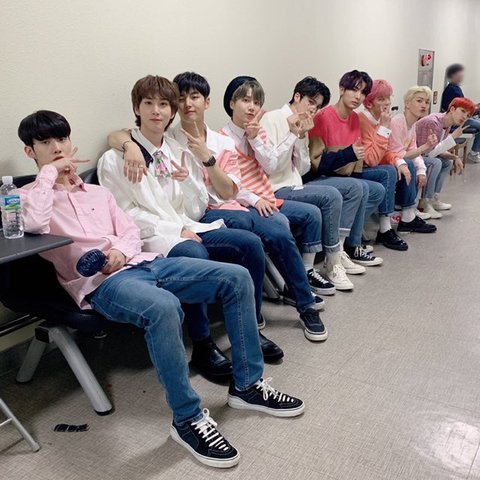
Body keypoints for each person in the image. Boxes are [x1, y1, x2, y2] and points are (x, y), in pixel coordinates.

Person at [17, 110, 305, 469]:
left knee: (236, 277)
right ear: (30, 151)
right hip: (102, 284)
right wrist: (49, 173)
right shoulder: (26, 197)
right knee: (164, 307)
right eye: (45, 142)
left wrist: (120, 251)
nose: (57, 148)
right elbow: (34, 223)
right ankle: (186, 419)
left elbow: (129, 230)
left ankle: (247, 386)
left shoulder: (97, 193)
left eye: (61, 139)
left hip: (143, 262)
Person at [101, 75, 283, 377]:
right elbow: (124, 214)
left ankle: (250, 328)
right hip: (153, 237)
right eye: (148, 103)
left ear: (172, 111)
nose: (156, 111)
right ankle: (202, 345)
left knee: (249, 244)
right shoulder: (116, 158)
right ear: (136, 108)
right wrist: (175, 231)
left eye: (163, 104)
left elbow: (197, 206)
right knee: (193, 254)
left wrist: (187, 182)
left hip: (187, 226)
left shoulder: (176, 149)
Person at [194, 75, 329, 341]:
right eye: (245, 100)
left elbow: (271, 166)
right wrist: (255, 200)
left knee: (296, 221)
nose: (251, 107)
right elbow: (229, 185)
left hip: (266, 197)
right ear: (231, 103)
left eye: (256, 102)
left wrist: (257, 139)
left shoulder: (258, 131)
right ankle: (296, 298)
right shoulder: (221, 139)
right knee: (278, 230)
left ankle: (302, 300)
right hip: (239, 203)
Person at [260, 76, 363, 291]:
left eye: (317, 107)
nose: (312, 110)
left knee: (350, 188)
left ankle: (326, 261)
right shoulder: (273, 119)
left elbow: (303, 168)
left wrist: (300, 138)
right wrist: (293, 135)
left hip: (294, 184)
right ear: (297, 97)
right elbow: (270, 166)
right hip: (274, 187)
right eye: (310, 103)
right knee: (330, 196)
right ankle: (331, 261)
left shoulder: (303, 125)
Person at [306, 70, 385, 268]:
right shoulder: (323, 117)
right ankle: (340, 249)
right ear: (342, 89)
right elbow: (315, 164)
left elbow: (357, 157)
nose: (358, 96)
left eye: (363, 92)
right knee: (358, 187)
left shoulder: (355, 118)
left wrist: (354, 169)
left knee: (375, 189)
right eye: (354, 90)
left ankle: (351, 244)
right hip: (321, 176)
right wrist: (347, 155)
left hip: (343, 176)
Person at [359, 80, 437, 249]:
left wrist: (419, 167)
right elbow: (373, 158)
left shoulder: (388, 121)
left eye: (388, 98)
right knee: (392, 170)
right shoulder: (390, 121)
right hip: (363, 167)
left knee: (417, 164)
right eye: (381, 99)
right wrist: (402, 159)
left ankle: (409, 214)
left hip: (378, 163)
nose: (387, 102)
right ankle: (389, 224)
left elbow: (390, 151)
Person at [387, 86, 438, 233]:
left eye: (427, 102)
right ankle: (408, 214)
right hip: (390, 160)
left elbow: (412, 149)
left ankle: (410, 212)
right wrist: (425, 147)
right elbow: (397, 153)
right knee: (409, 164)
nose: (424, 105)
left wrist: (421, 170)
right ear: (407, 103)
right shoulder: (397, 122)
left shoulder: (413, 124)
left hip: (400, 159)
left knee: (421, 165)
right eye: (419, 101)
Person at [416, 97, 476, 217]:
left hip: (424, 154)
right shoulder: (432, 122)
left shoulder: (446, 124)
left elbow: (437, 149)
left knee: (447, 162)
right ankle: (424, 201)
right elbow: (428, 153)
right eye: (463, 111)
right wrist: (452, 137)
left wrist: (455, 157)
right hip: (415, 155)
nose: (464, 117)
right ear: (452, 109)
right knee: (436, 162)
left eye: (468, 115)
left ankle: (433, 198)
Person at [440, 64, 480, 163]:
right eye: (460, 74)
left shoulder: (456, 88)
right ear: (453, 75)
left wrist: (474, 107)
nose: (462, 76)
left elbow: (463, 106)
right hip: (457, 119)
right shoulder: (452, 90)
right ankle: (474, 153)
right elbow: (459, 109)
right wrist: (474, 108)